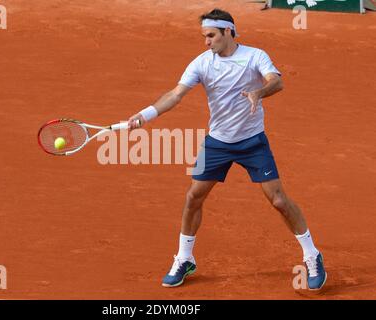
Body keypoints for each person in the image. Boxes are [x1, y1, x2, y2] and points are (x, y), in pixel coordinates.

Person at [127, 8, 326, 291]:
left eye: (211, 36)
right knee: (193, 197)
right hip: (217, 142)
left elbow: (276, 81)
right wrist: (144, 115)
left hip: (252, 141)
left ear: (228, 32)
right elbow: (175, 94)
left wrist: (259, 92)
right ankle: (184, 258)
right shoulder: (201, 63)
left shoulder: (255, 56)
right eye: (204, 36)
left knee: (279, 201)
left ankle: (312, 255)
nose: (206, 42)